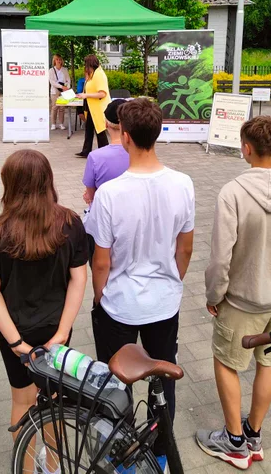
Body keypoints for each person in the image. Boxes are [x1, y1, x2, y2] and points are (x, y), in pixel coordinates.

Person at [196, 116, 271, 470]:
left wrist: (214, 295)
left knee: (227, 362)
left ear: (246, 148)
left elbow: (220, 257)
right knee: (269, 362)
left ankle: (233, 442)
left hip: (242, 300)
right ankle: (254, 435)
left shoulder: (233, 193)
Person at [86, 98, 195, 458]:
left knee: (114, 382)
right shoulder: (184, 184)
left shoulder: (109, 195)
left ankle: (120, 452)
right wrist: (171, 280)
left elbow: (100, 261)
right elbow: (186, 250)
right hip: (164, 303)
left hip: (119, 304)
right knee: (164, 378)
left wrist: (100, 296)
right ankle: (161, 454)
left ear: (126, 137)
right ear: (158, 133)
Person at [0, 149, 88, 436]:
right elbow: (79, 278)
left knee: (22, 401)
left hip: (13, 328)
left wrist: (16, 343)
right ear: (48, 181)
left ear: (9, 185)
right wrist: (62, 334)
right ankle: (53, 466)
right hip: (56, 326)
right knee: (54, 401)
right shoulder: (70, 223)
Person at [82, 99, 129, 258]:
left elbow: (91, 195)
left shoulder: (95, 157)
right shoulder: (139, 154)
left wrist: (89, 195)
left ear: (106, 123)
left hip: (103, 222)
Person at [75, 55, 111, 158]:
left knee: (100, 130)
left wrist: (86, 95)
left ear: (90, 64)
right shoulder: (93, 74)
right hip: (92, 107)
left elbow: (102, 93)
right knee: (89, 129)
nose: (85, 67)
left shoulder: (99, 74)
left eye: (86, 65)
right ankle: (86, 151)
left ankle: (104, 151)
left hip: (98, 108)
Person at [49, 55, 71, 132]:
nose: (58, 61)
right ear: (54, 61)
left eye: (60, 59)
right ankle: (53, 124)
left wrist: (67, 87)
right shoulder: (51, 70)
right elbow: (52, 82)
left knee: (62, 108)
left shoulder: (65, 70)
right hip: (55, 91)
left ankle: (61, 123)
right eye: (57, 59)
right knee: (54, 107)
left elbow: (68, 79)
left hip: (63, 91)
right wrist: (62, 87)